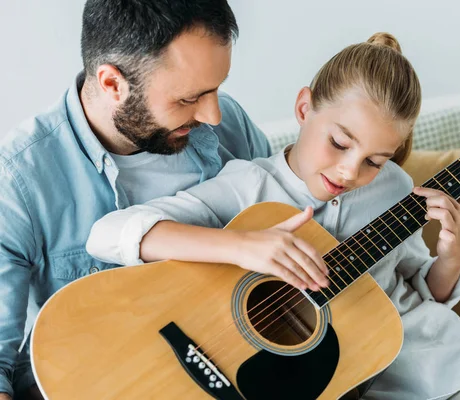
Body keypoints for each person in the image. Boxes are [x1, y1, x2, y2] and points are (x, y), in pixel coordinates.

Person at [87, 32, 460, 399]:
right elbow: (107, 234)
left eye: (375, 160)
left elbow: (422, 291)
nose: (349, 171)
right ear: (305, 107)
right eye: (341, 143)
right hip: (341, 378)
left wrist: (451, 256)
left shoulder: (396, 189)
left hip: (440, 360)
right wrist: (243, 245)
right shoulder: (250, 186)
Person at [0, 1, 277, 399]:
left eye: (217, 89)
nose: (214, 115)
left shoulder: (228, 124)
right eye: (188, 99)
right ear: (112, 84)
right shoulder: (19, 180)